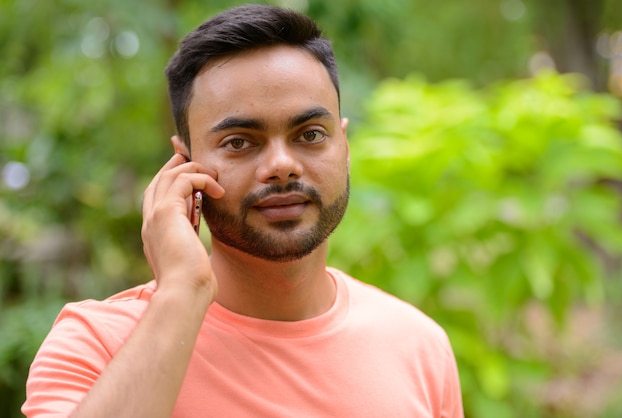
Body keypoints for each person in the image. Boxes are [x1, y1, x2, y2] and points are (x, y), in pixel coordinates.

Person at [22, 4, 463, 417]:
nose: (281, 166)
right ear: (183, 162)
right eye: (239, 142)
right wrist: (182, 292)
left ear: (344, 146)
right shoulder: (95, 345)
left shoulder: (419, 345)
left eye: (310, 134)